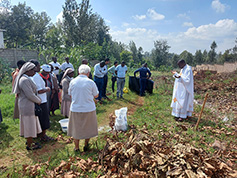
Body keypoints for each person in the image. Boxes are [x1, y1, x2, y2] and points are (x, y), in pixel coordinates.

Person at [67, 64, 99, 152]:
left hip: (75, 108)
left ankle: (76, 147)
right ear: (88, 73)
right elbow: (96, 95)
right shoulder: (91, 82)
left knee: (76, 128)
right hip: (88, 108)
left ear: (78, 72)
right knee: (88, 127)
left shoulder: (73, 81)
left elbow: (70, 94)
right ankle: (86, 145)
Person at [12, 62, 42, 150]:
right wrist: (38, 100)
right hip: (27, 106)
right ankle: (30, 145)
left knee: (30, 124)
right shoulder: (24, 80)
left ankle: (30, 141)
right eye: (33, 70)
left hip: (28, 105)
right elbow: (30, 95)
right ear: (27, 70)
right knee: (29, 125)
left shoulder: (26, 78)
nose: (35, 72)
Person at [30, 60, 53, 142]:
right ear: (34, 67)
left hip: (40, 100)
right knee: (43, 119)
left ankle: (39, 134)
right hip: (41, 100)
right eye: (38, 66)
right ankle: (43, 136)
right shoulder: (36, 77)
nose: (40, 67)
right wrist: (46, 89)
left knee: (40, 118)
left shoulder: (34, 76)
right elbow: (39, 91)